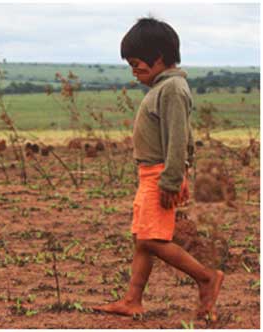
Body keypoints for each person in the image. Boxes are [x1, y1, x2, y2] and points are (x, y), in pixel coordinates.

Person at [92, 17, 224, 319]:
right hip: (151, 174)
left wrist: (172, 180)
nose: (134, 72)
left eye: (137, 65)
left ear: (159, 58)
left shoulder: (173, 89)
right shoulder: (164, 88)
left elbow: (179, 139)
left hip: (161, 174)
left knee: (153, 239)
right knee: (142, 237)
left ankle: (206, 277)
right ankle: (132, 300)